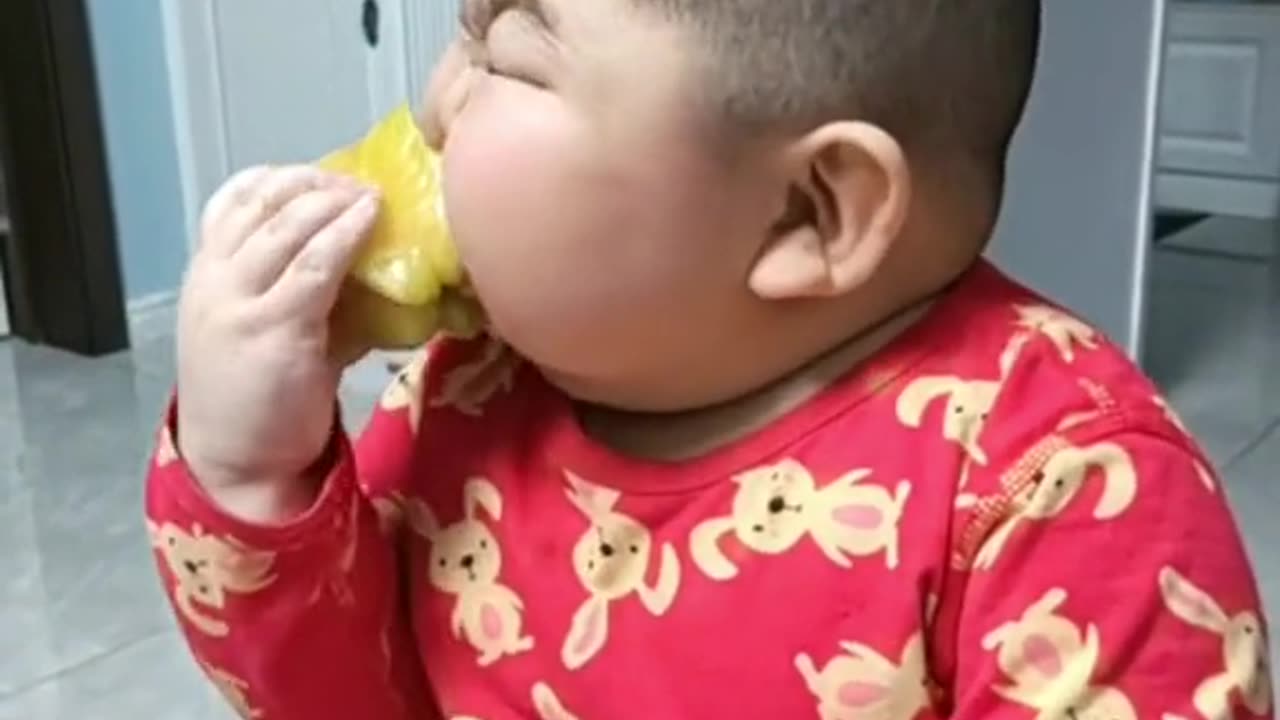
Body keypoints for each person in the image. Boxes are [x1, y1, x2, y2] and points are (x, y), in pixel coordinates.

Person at [144, 0, 1274, 718]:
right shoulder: (471, 389)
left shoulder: (1065, 494)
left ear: (807, 213)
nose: (436, 108)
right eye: (461, 35)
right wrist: (253, 472)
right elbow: (345, 701)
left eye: (511, 57)